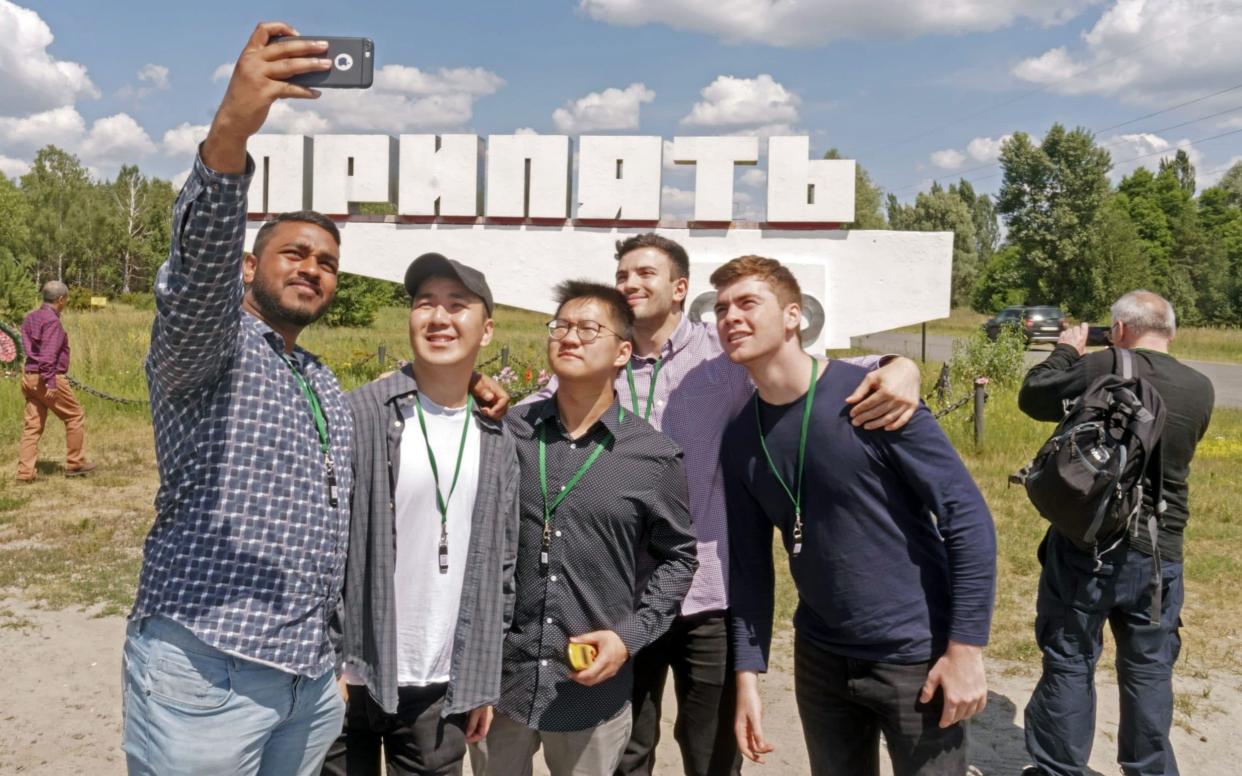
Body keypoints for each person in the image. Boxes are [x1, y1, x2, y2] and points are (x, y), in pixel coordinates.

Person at [122, 25, 504, 776]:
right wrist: (231, 133)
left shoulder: (323, 381)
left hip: (308, 682)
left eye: (327, 262)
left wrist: (468, 381)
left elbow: (398, 410)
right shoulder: (211, 347)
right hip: (211, 667)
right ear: (246, 267)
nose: (313, 269)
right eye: (293, 253)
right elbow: (193, 276)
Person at [527, 234, 923, 776]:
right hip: (622, 594)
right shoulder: (604, 357)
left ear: (679, 288)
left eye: (645, 273)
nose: (630, 284)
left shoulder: (723, 351)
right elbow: (538, 405)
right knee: (626, 750)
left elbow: (814, 371)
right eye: (622, 275)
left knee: (712, 750)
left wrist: (899, 365)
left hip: (707, 593)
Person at [713, 256, 997, 776]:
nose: (731, 317)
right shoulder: (739, 438)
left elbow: (967, 518)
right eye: (721, 308)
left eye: (748, 303)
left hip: (915, 655)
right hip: (821, 657)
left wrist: (966, 651)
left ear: (794, 315)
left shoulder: (872, 398)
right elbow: (750, 568)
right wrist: (747, 680)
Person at [471, 280, 698, 776]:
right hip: (499, 682)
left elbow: (679, 558)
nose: (569, 337)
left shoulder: (652, 456)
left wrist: (630, 636)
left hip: (589, 684)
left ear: (623, 351)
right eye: (561, 326)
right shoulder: (509, 432)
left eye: (588, 328)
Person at [324, 253, 519, 776]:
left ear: (487, 329)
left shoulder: (501, 436)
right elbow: (322, 543)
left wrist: (480, 678)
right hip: (351, 675)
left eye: (457, 306)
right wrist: (328, 660)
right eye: (425, 304)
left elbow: (502, 566)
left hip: (441, 683)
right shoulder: (361, 414)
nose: (439, 318)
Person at [1018, 291, 1214, 776]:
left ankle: (1058, 770)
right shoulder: (1201, 387)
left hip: (1089, 546)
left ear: (1121, 329)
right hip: (1160, 556)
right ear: (1169, 331)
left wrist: (1067, 348)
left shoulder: (1101, 366)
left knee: (1071, 657)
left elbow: (1033, 394)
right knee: (1149, 668)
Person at [18, 281, 95, 481]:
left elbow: (32, 350)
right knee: (74, 416)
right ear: (61, 300)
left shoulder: (31, 317)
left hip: (29, 376)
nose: (66, 302)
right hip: (46, 377)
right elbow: (48, 355)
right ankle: (76, 464)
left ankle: (25, 472)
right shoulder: (52, 321)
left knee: (32, 426)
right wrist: (51, 382)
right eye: (66, 299)